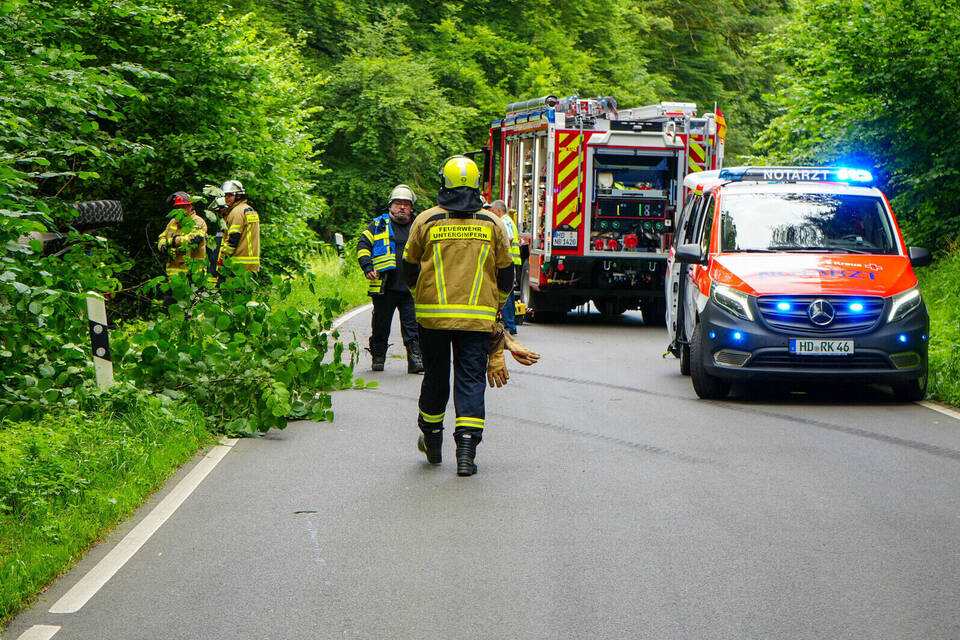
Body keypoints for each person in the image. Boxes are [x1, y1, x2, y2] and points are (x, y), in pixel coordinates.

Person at [402, 156, 517, 476]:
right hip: (477, 322)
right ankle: (466, 452)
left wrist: (418, 296)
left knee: (435, 378)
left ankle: (433, 440)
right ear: (477, 184)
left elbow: (408, 268)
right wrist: (498, 307)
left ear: (444, 183)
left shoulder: (425, 221)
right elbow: (507, 274)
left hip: (432, 319)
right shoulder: (492, 224)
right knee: (470, 381)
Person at [357, 184, 423, 373]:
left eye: (406, 204)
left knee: (413, 326)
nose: (402, 207)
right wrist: (367, 266)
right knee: (380, 325)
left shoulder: (418, 226)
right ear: (390, 205)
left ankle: (415, 360)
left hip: (411, 287)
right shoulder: (378, 225)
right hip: (384, 287)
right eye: (398, 204)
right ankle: (378, 357)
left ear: (412, 208)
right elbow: (363, 245)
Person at [157, 191, 207, 305]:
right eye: (179, 207)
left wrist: (171, 242)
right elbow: (161, 239)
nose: (182, 210)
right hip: (173, 277)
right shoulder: (172, 222)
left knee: (190, 310)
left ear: (190, 206)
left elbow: (191, 239)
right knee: (170, 308)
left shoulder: (197, 222)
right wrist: (164, 245)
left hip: (192, 276)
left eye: (184, 207)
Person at [490, 199, 521, 334]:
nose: (492, 214)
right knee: (510, 295)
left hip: (507, 262)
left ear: (498, 211)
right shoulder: (508, 220)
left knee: (506, 295)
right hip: (511, 262)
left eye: (492, 211)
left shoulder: (504, 221)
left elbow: (508, 238)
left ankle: (509, 325)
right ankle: (510, 324)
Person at [217, 179, 260, 275]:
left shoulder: (236, 212)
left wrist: (222, 258)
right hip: (252, 264)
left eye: (230, 195)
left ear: (238, 195)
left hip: (237, 265)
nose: (227, 198)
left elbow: (233, 238)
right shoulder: (250, 210)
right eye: (225, 195)